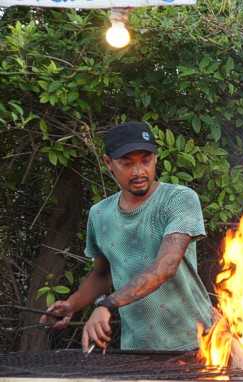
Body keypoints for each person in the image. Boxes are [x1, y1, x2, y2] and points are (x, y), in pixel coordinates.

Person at [40, 122, 214, 351]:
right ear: (108, 163)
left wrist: (107, 304)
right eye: (127, 163)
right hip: (136, 350)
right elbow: (103, 273)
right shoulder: (100, 214)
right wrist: (73, 304)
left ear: (155, 158)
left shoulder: (179, 199)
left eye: (145, 160)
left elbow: (167, 265)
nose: (139, 171)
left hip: (198, 344)